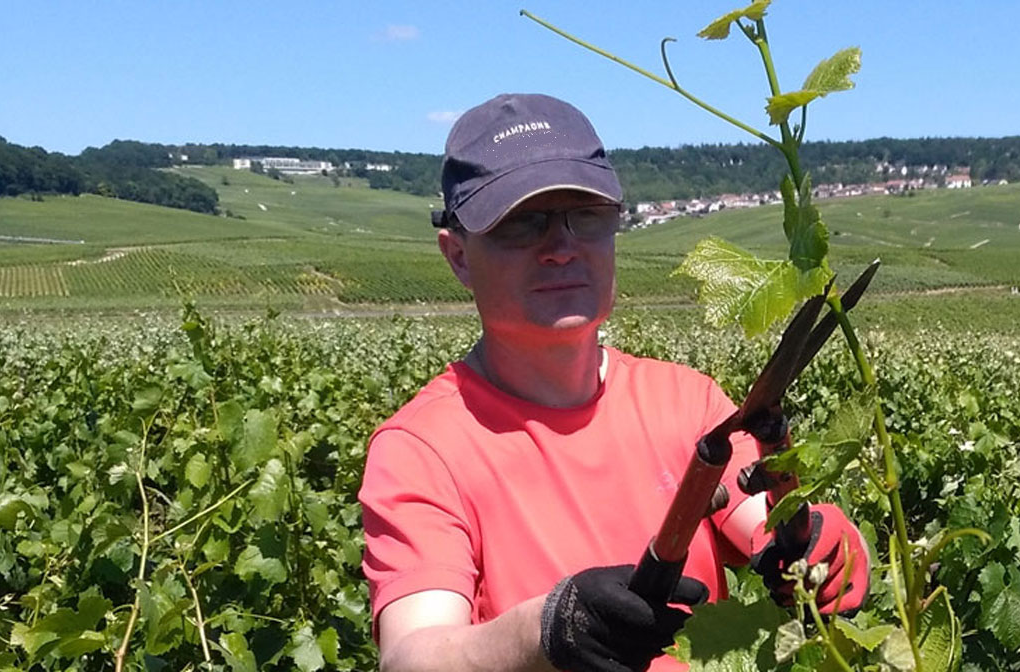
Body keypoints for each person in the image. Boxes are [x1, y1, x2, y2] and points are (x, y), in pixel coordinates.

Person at [358, 93, 871, 672]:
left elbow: (766, 527)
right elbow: (412, 654)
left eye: (587, 215)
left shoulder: (686, 402)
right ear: (457, 256)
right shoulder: (422, 450)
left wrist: (820, 546)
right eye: (522, 223)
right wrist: (547, 630)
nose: (561, 248)